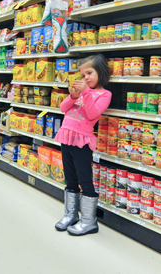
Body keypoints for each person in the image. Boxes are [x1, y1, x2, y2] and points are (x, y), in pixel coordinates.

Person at [54, 54, 112, 236]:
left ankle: (89, 221)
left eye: (89, 73)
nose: (85, 77)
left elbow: (93, 114)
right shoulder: (79, 93)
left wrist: (85, 93)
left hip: (82, 142)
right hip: (66, 138)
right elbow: (63, 108)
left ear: (100, 73)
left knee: (84, 179)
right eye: (83, 75)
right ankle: (70, 214)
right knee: (70, 178)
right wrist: (73, 96)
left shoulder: (104, 94)